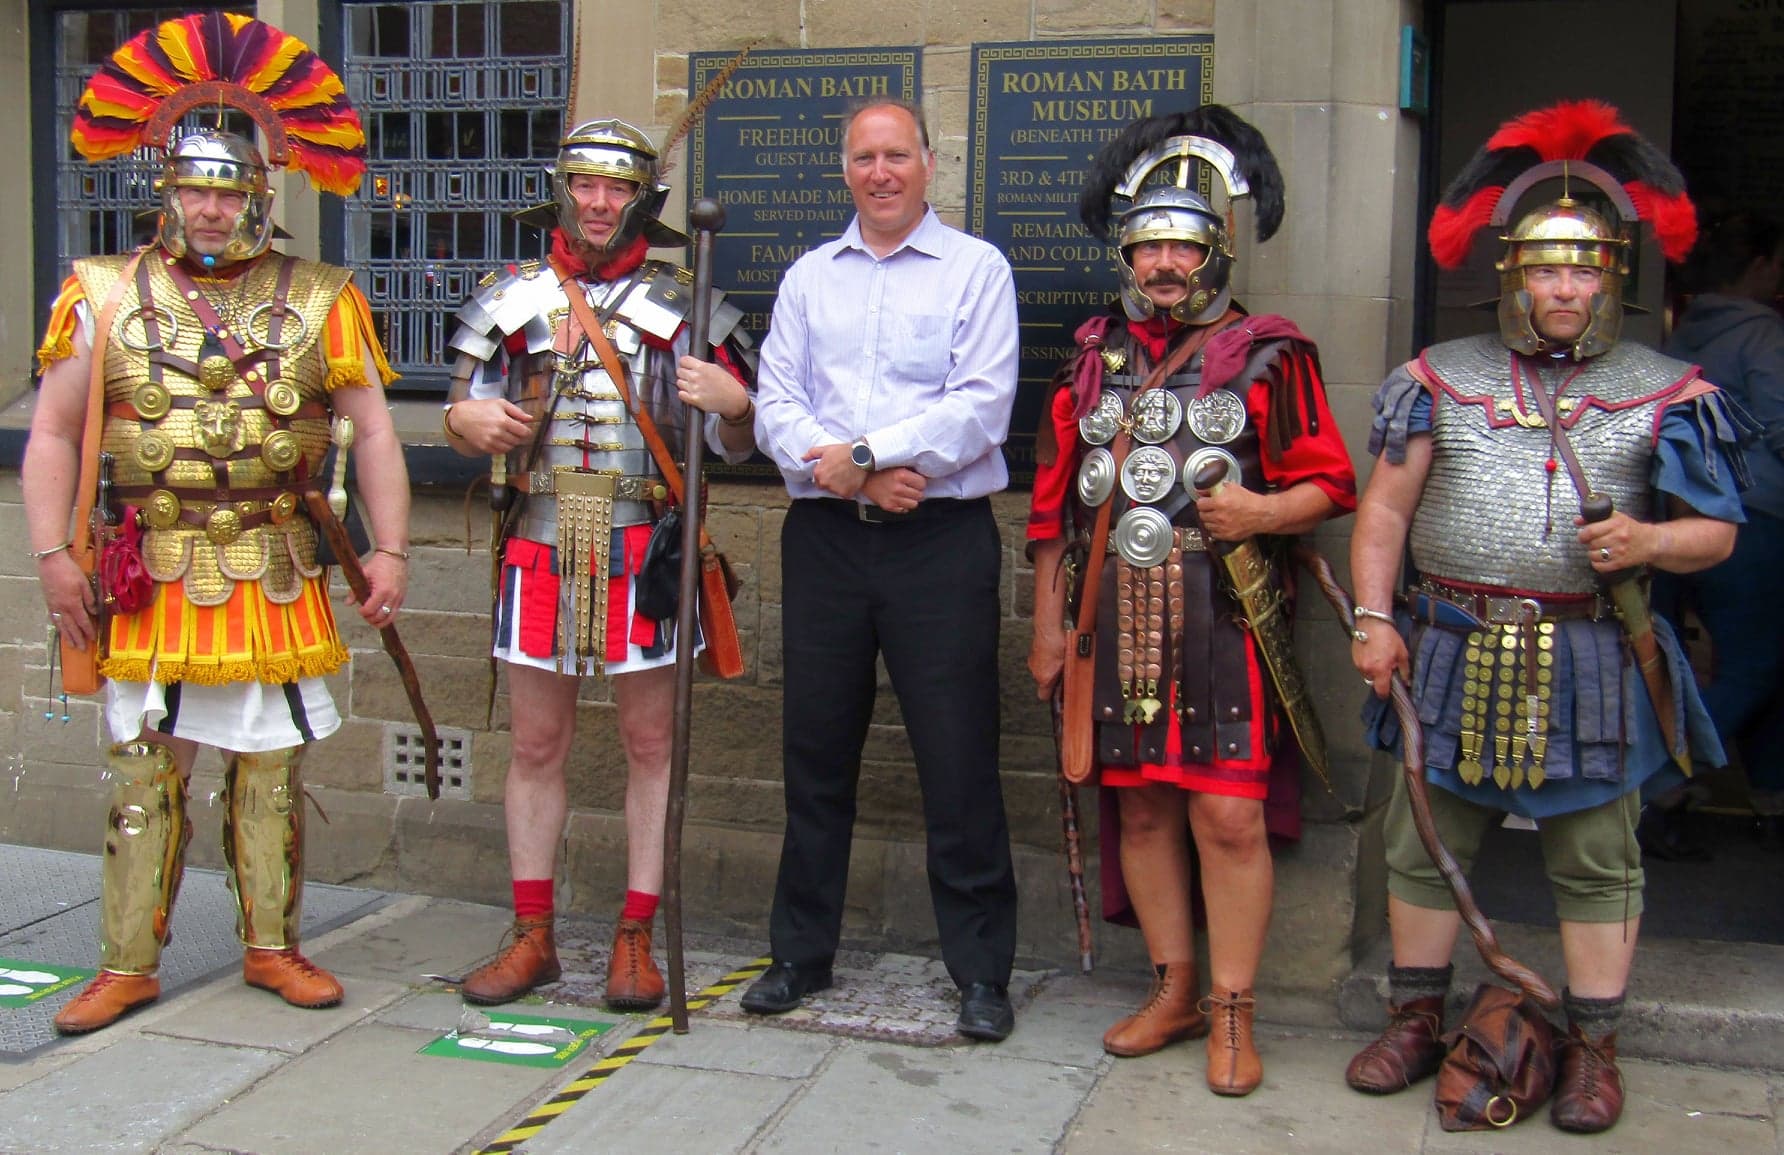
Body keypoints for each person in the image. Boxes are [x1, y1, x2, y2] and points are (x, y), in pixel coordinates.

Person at [1345, 101, 1747, 1133]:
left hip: (1590, 653)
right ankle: (1414, 1021)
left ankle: (1593, 1051)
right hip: (1448, 642)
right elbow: (1383, 512)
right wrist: (1373, 618)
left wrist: (1648, 542)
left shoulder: (1669, 391)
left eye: (1583, 270)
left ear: (1612, 277)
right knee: (1421, 838)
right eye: (1544, 269)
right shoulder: (1436, 379)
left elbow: (1715, 535)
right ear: (1512, 276)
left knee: (1595, 856)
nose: (1564, 288)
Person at [28, 15, 410, 1034]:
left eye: (228, 192)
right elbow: (55, 431)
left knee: (270, 769)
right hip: (147, 565)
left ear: (260, 196)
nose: (209, 209)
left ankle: (273, 946)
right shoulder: (101, 294)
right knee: (143, 770)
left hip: (272, 561)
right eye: (194, 190)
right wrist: (51, 555)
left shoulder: (322, 297)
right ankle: (126, 961)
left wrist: (390, 548)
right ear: (167, 191)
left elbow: (374, 430)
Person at [1027, 106, 1356, 1096]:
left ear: (1216, 252)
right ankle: (1171, 989)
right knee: (1139, 815)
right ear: (1126, 255)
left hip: (1225, 619)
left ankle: (1231, 1009)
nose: (1164, 264)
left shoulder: (1270, 353)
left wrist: (1261, 509)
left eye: (1182, 246)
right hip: (1115, 619)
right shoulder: (1091, 357)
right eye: (1147, 246)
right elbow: (1052, 509)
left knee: (1227, 817)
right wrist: (1046, 628)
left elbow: (1330, 482)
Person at [442, 118, 756, 1010]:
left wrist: (736, 405)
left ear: (642, 201)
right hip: (539, 539)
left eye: (617, 188)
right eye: (585, 183)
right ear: (562, 190)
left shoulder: (689, 303)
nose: (598, 202)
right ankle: (532, 934)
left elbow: (737, 445)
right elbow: (461, 413)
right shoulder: (513, 296)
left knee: (651, 744)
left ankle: (636, 934)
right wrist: (465, 422)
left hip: (641, 544)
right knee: (536, 744)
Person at [742, 98, 1022, 1041]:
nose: (881, 172)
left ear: (929, 163)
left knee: (958, 755)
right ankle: (800, 952)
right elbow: (775, 402)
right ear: (845, 170)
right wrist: (851, 472)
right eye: (864, 157)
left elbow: (978, 408)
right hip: (826, 540)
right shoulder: (809, 278)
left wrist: (864, 452)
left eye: (897, 154)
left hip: (939, 542)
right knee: (815, 750)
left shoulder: (976, 270)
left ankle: (981, 972)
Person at [1646, 213, 1784, 852]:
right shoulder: (1763, 336)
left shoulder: (1680, 335)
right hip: (1755, 520)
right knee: (1757, 664)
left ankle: (1770, 796)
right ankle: (1655, 786)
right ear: (1759, 266)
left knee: (1745, 662)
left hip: (1679, 516)